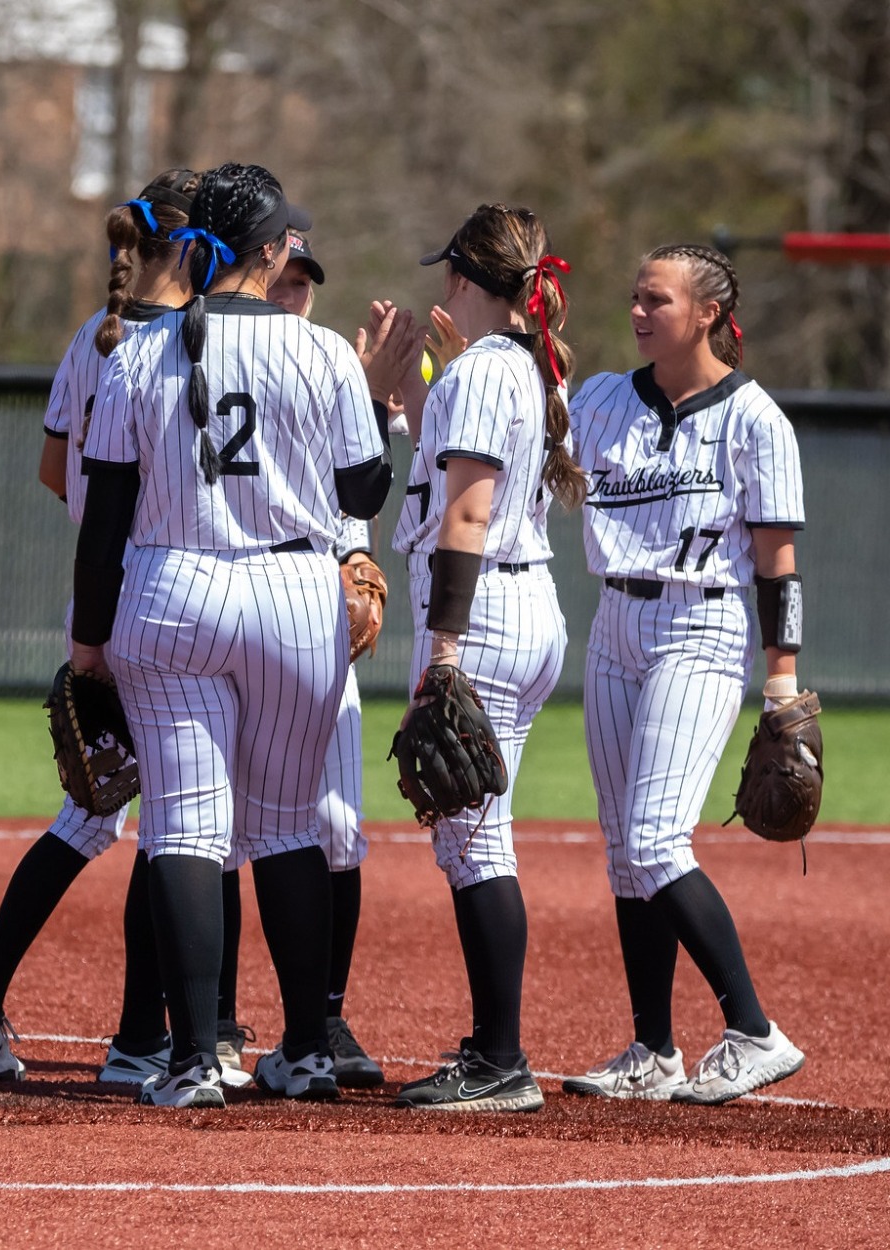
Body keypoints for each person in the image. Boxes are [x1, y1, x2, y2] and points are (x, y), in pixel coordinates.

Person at [72, 162, 413, 1108]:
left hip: (170, 593)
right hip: (293, 599)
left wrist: (85, 647)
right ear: (273, 253)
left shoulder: (140, 352)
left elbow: (104, 523)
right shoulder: (320, 355)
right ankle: (305, 1047)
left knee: (184, 828)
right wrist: (381, 409)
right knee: (287, 829)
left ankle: (190, 1061)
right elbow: (358, 496)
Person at [0, 169, 200, 1088]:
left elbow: (54, 472)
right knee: (172, 827)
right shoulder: (188, 344)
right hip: (162, 595)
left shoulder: (97, 332)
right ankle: (136, 1039)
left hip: (98, 591)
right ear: (197, 247)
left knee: (91, 816)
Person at [560, 242, 808, 1106]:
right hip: (614, 625)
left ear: (706, 314)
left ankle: (753, 1030)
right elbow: (526, 438)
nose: (637, 311)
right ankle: (653, 1050)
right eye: (633, 296)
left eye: (655, 299)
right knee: (626, 854)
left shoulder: (754, 419)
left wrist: (783, 683)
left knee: (659, 837)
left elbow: (778, 566)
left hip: (701, 624)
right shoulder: (599, 401)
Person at [387, 204, 582, 1112]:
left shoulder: (479, 373)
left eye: (448, 274)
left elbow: (465, 517)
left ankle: (500, 1060)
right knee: (480, 837)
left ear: (468, 277)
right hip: (527, 599)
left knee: (474, 844)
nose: (441, 290)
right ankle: (495, 1051)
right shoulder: (526, 368)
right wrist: (411, 401)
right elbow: (468, 478)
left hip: (485, 611)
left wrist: (443, 655)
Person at [261, 227, 385, 1088]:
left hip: (314, 622)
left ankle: (326, 1017)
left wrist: (357, 570)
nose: (295, 296)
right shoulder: (225, 364)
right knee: (221, 830)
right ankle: (219, 1019)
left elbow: (358, 511)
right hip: (244, 611)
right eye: (283, 281)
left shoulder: (332, 371)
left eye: (306, 284)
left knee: (337, 828)